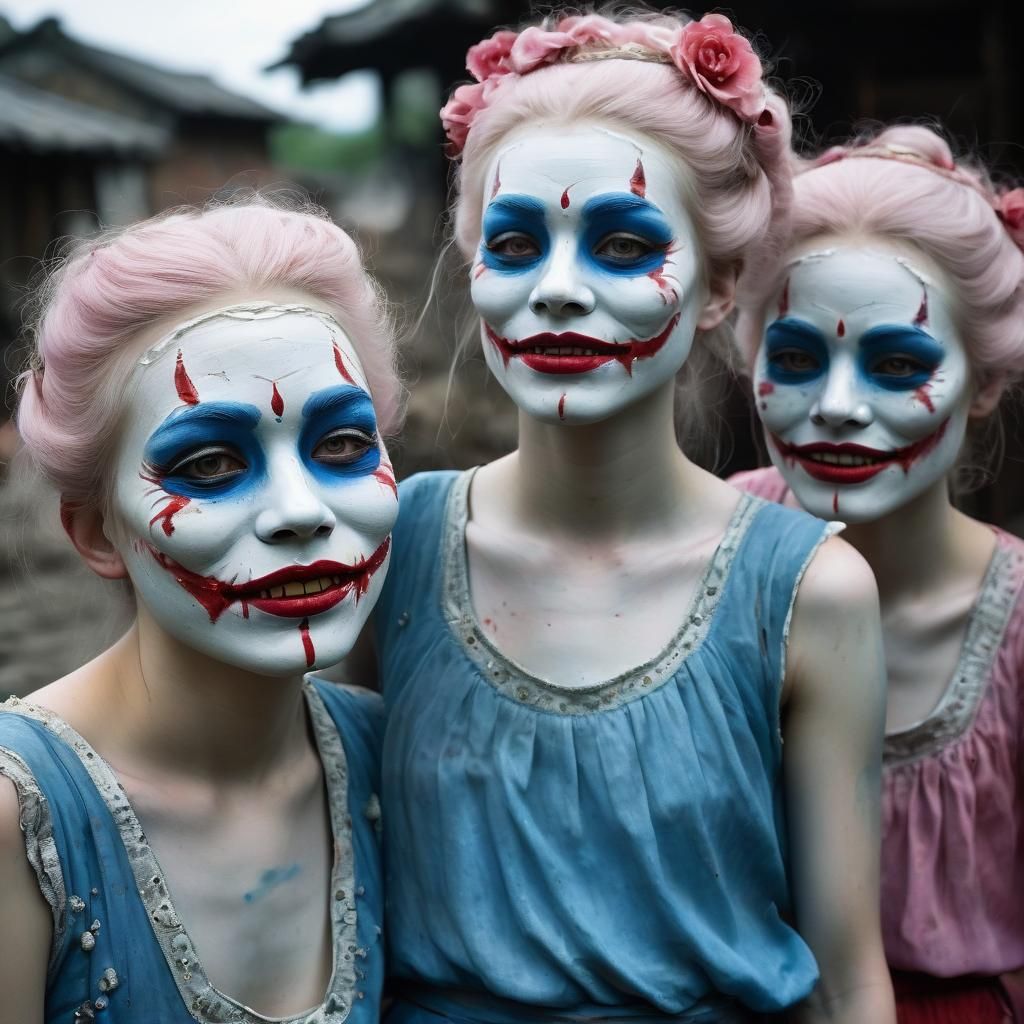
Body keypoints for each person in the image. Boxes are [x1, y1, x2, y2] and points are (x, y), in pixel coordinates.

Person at [372, 10, 895, 1023]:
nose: (559, 290)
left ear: (722, 282)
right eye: (515, 243)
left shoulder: (812, 593)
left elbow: (845, 978)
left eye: (620, 243)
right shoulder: (393, 547)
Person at [0, 196, 401, 1023]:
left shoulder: (390, 756)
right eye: (212, 464)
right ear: (96, 531)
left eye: (342, 445)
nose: (300, 511)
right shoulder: (16, 820)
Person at [732, 125, 1024, 1023]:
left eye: (898, 364)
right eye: (796, 359)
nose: (838, 407)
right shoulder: (713, 548)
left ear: (985, 381)